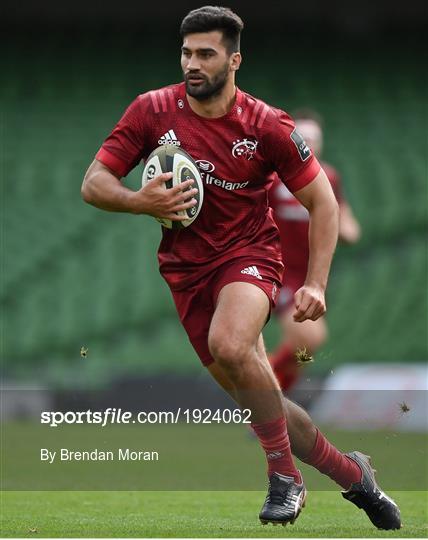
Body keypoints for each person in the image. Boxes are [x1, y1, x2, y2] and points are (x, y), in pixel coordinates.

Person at [81, 6, 400, 529]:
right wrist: (142, 202)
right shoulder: (151, 111)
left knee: (231, 345)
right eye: (186, 53)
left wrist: (317, 282)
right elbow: (94, 183)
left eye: (206, 54)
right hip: (186, 273)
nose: (192, 63)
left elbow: (324, 203)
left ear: (234, 60)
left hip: (249, 256)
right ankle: (354, 476)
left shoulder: (267, 125)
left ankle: (285, 478)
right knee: (262, 403)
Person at [269, 110, 361, 390]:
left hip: (312, 274)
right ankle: (257, 389)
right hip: (279, 269)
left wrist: (346, 230)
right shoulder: (272, 177)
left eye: (313, 138)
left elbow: (347, 222)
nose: (308, 143)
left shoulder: (328, 178)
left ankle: (271, 405)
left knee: (304, 352)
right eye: (302, 137)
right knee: (310, 338)